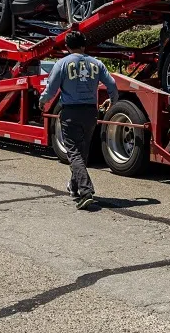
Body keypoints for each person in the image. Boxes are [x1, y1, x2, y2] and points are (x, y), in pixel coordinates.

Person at [38, 30, 118, 210]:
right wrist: (113, 101)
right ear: (84, 45)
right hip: (90, 112)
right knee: (82, 152)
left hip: (71, 112)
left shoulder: (62, 63)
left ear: (67, 46)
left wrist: (42, 102)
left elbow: (51, 89)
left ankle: (86, 191)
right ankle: (74, 187)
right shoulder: (97, 64)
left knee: (73, 152)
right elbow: (112, 84)